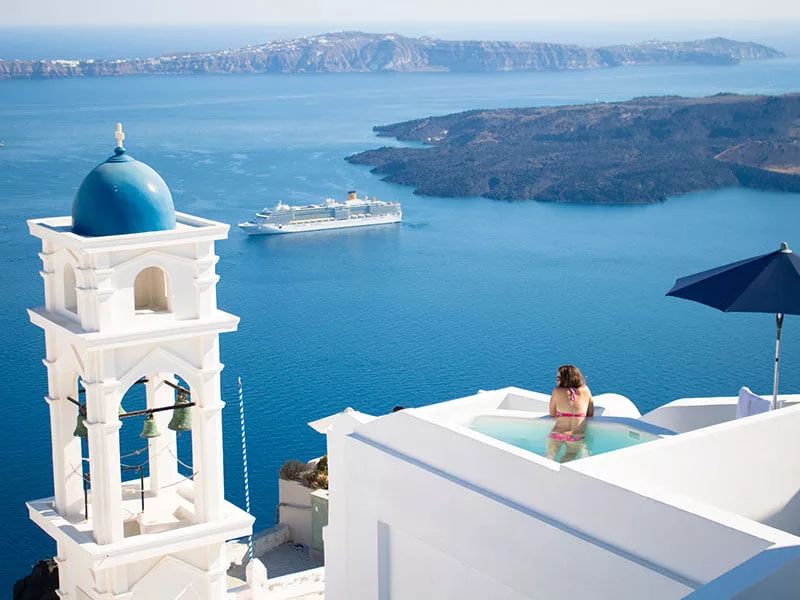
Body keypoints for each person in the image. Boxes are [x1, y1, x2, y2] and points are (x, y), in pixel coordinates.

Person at [546, 364, 594, 463]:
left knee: (548, 459)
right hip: (576, 436)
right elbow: (590, 413)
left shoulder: (557, 391)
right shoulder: (586, 390)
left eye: (558, 378)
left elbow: (552, 413)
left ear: (566, 378)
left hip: (556, 434)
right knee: (568, 459)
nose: (556, 380)